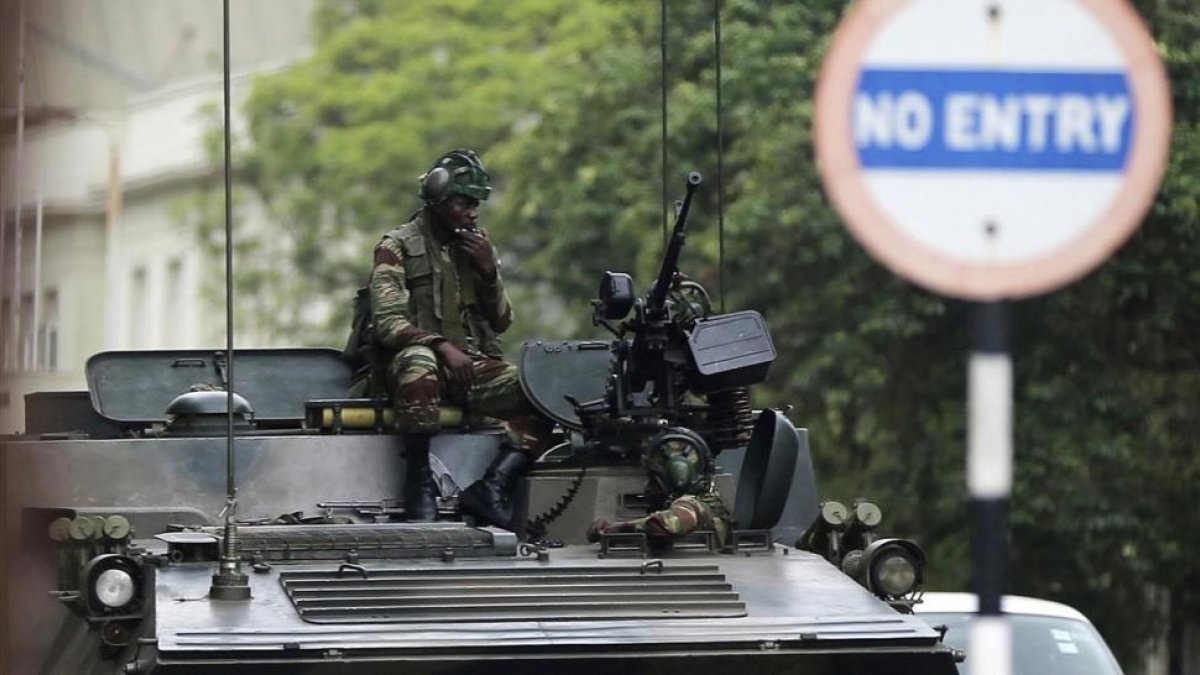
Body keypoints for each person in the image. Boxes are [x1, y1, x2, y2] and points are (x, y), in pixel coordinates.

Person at [365, 148, 552, 528]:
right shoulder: (396, 246)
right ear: (437, 200)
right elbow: (387, 322)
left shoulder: (475, 247)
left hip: (470, 366)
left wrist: (488, 271)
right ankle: (419, 484)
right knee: (419, 363)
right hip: (414, 367)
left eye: (476, 204)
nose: (472, 212)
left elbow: (502, 322)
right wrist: (440, 345)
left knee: (541, 390)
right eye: (464, 203)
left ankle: (492, 486)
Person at [587, 429, 732, 550]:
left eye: (654, 478)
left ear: (677, 476)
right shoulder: (707, 503)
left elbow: (666, 525)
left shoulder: (692, 506)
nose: (649, 485)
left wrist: (619, 528)